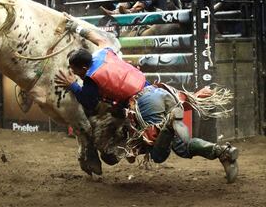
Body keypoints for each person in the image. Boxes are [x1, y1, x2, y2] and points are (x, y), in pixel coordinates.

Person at [55, 18, 239, 183]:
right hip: (158, 92)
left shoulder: (91, 78)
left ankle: (167, 125)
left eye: (74, 69)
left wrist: (72, 85)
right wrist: (77, 27)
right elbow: (98, 37)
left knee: (158, 154)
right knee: (182, 147)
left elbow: (88, 101)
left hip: (144, 104)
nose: (73, 73)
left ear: (84, 67)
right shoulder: (104, 52)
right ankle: (223, 152)